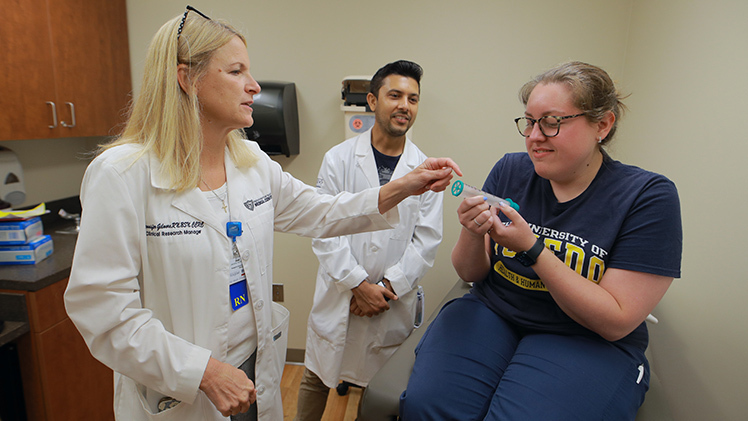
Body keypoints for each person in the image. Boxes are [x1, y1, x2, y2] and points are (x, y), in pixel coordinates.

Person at [62, 7, 460, 421]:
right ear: (187, 78)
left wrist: (403, 186)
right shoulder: (123, 174)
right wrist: (203, 371)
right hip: (181, 389)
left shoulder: (250, 161)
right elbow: (103, 310)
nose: (253, 86)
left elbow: (320, 212)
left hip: (254, 371)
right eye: (236, 72)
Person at [400, 61, 682, 420]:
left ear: (603, 124)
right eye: (529, 122)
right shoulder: (511, 169)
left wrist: (533, 250)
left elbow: (616, 320)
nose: (534, 136)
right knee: (429, 408)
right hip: (494, 312)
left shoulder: (647, 196)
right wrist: (472, 230)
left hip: (585, 337)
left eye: (551, 122)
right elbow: (471, 272)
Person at [295, 60, 441, 420]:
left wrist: (387, 286)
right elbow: (323, 227)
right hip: (340, 294)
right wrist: (357, 284)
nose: (405, 105)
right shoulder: (338, 159)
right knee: (316, 378)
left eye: (413, 98)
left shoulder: (426, 170)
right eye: (395, 95)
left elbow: (427, 240)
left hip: (390, 302)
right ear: (373, 101)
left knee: (377, 392)